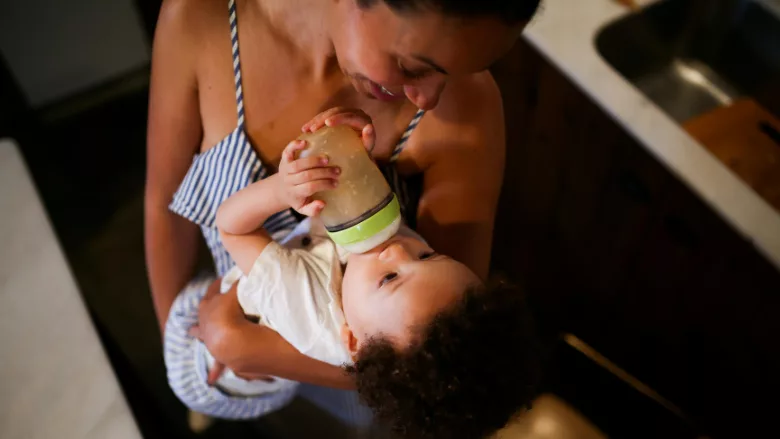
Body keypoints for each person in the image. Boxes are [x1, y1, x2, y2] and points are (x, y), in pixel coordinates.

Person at [145, 0, 542, 432]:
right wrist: (185, 347)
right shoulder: (200, 18)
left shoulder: (465, 108)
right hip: (223, 330)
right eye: (413, 65)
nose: (429, 98)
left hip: (354, 381)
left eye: (461, 70)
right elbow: (164, 204)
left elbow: (439, 361)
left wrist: (249, 347)